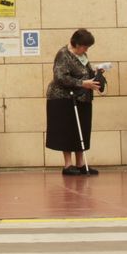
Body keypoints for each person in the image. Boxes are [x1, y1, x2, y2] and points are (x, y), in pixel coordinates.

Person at [44, 29, 101, 176]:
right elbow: (60, 77)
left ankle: (80, 163)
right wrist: (83, 83)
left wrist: (96, 74)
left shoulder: (82, 55)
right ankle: (68, 165)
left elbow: (85, 72)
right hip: (63, 97)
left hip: (82, 97)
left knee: (82, 129)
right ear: (76, 44)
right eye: (85, 46)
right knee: (67, 130)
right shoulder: (63, 54)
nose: (86, 49)